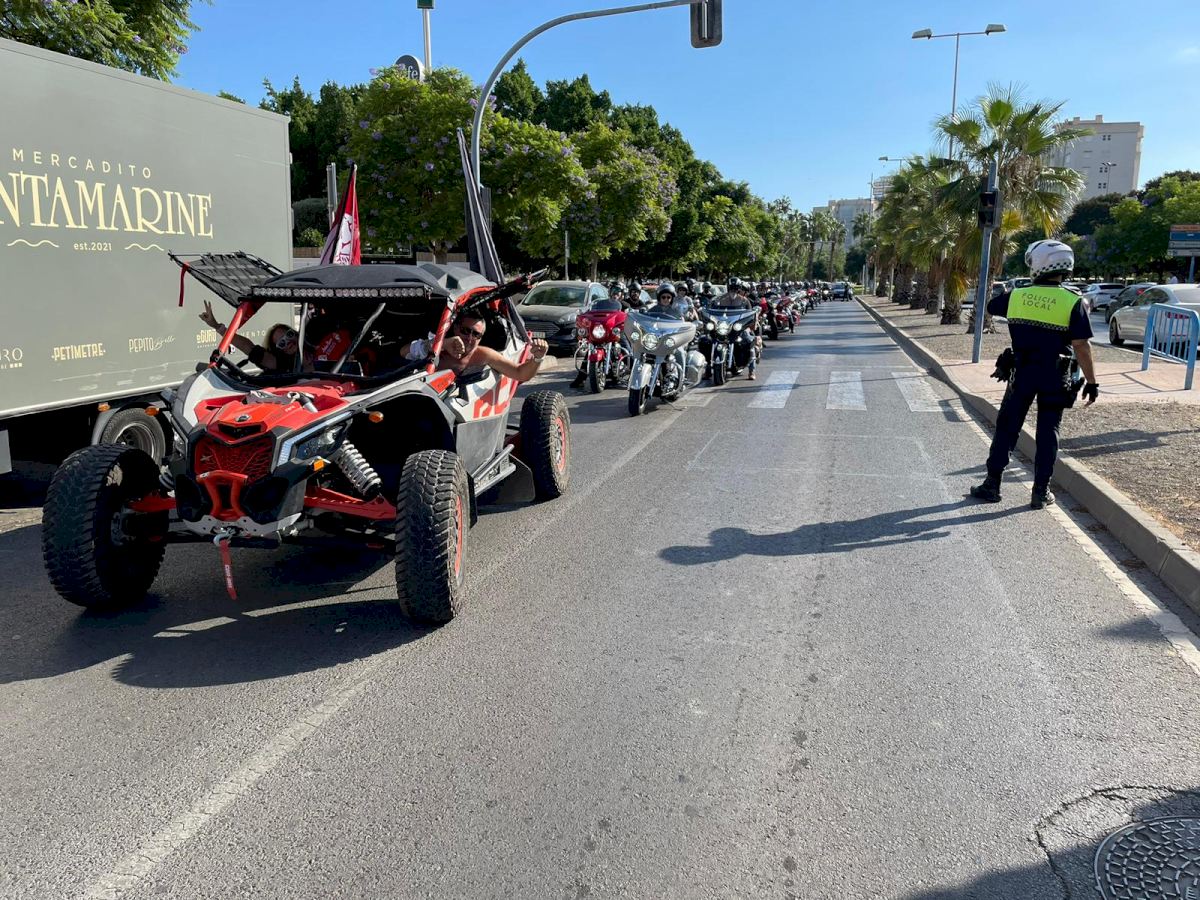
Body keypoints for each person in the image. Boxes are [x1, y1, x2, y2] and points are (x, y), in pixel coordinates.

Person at [970, 239, 1099, 509]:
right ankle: (1040, 492)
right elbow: (1081, 346)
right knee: (1048, 432)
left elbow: (992, 306)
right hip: (1055, 375)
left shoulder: (1018, 296)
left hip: (1022, 371)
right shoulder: (1073, 301)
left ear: (1038, 264)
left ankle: (992, 483)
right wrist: (1091, 381)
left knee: (1007, 427)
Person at [427, 312, 548, 383]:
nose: (469, 338)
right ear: (456, 329)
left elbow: (520, 374)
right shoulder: (437, 347)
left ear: (481, 338)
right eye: (466, 331)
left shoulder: (484, 355)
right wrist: (441, 344)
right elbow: (413, 351)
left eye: (476, 334)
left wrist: (538, 358)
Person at [199, 299, 298, 372]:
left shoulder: (307, 342)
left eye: (289, 335)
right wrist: (216, 326)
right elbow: (247, 346)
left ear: (295, 333)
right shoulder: (280, 364)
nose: (288, 342)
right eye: (282, 343)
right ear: (279, 351)